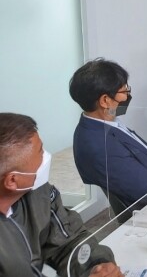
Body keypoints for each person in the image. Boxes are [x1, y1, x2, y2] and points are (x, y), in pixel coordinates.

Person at [0, 113, 124, 277]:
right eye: (40, 152)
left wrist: (95, 266)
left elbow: (68, 241)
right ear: (12, 181)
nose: (46, 157)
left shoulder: (39, 194)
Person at [70, 59, 147, 208]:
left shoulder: (105, 123)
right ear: (105, 100)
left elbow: (138, 155)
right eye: (124, 91)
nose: (127, 96)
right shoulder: (101, 146)